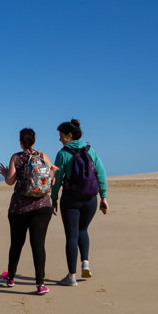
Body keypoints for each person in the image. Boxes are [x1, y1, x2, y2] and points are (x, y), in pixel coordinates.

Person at [0, 128, 57, 295]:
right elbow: (51, 180)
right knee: (38, 245)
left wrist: (4, 174)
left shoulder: (16, 157)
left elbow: (10, 181)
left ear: (20, 142)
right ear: (34, 141)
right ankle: (40, 284)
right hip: (42, 207)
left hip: (19, 209)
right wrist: (52, 174)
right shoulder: (43, 156)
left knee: (16, 244)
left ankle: (10, 278)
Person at [50, 119, 108, 285]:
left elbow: (57, 179)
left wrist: (54, 200)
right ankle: (86, 263)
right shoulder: (91, 150)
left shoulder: (62, 154)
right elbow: (101, 174)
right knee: (83, 230)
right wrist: (103, 197)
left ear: (69, 135)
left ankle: (71, 276)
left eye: (61, 136)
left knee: (71, 236)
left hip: (71, 199)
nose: (59, 139)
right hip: (90, 199)